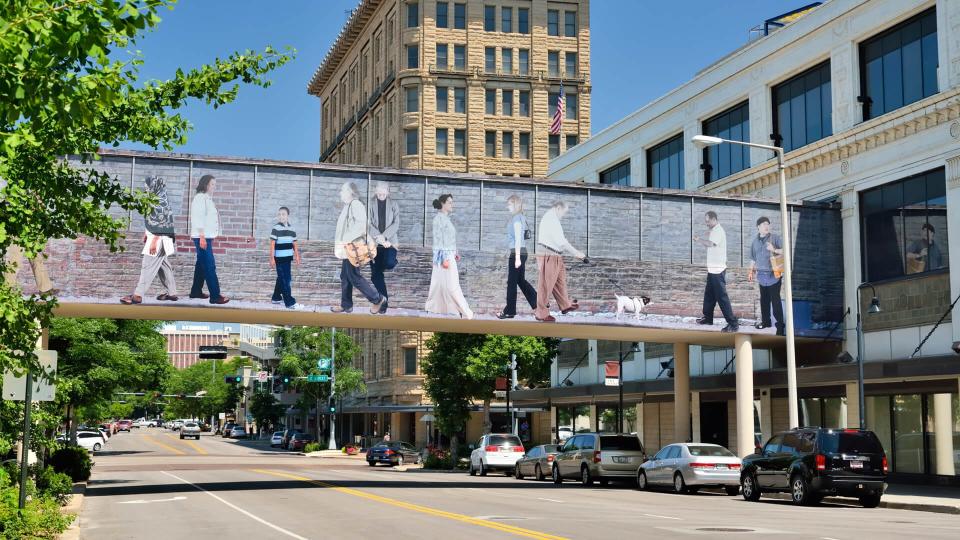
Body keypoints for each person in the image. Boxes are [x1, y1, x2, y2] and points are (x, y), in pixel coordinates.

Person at [121, 176, 178, 304]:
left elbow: (160, 222)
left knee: (148, 266)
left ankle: (138, 295)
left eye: (148, 186)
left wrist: (154, 239)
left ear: (155, 186)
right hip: (166, 238)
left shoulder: (158, 202)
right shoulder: (161, 198)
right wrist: (147, 232)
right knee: (164, 266)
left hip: (158, 238)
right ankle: (172, 292)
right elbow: (155, 219)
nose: (146, 188)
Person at [333, 182, 386, 314]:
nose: (340, 192)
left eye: (343, 190)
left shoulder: (356, 205)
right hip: (348, 249)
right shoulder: (349, 205)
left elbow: (361, 226)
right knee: (345, 276)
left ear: (351, 192)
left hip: (353, 248)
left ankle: (377, 299)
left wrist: (346, 240)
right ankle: (346, 305)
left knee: (354, 277)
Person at [534, 201, 585, 323]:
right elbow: (561, 241)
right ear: (558, 208)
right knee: (546, 285)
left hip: (556, 254)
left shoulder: (553, 219)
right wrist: (576, 252)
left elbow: (561, 239)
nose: (563, 215)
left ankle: (565, 304)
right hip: (549, 253)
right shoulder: (551, 219)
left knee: (560, 281)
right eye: (564, 212)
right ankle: (541, 314)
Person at [425, 194, 473, 319]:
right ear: (443, 203)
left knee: (440, 283)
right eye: (450, 202)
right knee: (451, 285)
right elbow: (439, 240)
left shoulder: (446, 219)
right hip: (443, 257)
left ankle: (434, 309)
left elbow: (449, 239)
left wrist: (455, 252)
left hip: (449, 254)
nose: (452, 205)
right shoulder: (438, 219)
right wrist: (445, 258)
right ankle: (465, 312)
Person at [694, 210, 737, 332]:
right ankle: (708, 318)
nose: (706, 223)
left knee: (722, 297)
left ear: (714, 219)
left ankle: (733, 323)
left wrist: (699, 240)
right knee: (709, 295)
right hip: (712, 269)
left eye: (708, 221)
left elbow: (710, 244)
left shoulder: (718, 231)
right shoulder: (714, 231)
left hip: (718, 270)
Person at [189, 174, 229, 304]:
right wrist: (202, 236)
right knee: (209, 265)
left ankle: (195, 291)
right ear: (205, 185)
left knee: (201, 264)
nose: (214, 187)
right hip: (202, 237)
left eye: (215, 185)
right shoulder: (200, 198)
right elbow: (197, 217)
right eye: (212, 184)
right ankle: (215, 296)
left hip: (206, 237)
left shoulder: (208, 198)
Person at [497, 194, 537, 319]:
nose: (507, 206)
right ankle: (538, 302)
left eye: (509, 204)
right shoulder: (520, 217)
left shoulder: (517, 219)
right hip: (520, 252)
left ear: (515, 204)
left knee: (512, 283)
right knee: (520, 281)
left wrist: (518, 258)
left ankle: (509, 311)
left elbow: (519, 239)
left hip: (517, 253)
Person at [747, 216, 784, 335]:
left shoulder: (775, 238)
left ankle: (780, 326)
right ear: (758, 227)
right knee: (764, 301)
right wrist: (750, 271)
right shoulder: (755, 242)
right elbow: (753, 258)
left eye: (768, 224)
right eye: (763, 224)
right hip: (762, 277)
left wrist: (774, 249)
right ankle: (766, 322)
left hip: (774, 275)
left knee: (775, 301)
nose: (766, 226)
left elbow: (785, 251)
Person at [368, 181, 399, 313]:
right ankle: (383, 304)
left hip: (390, 242)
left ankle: (392, 262)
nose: (381, 195)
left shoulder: (394, 205)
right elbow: (367, 223)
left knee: (390, 263)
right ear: (375, 191)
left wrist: (385, 238)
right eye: (379, 193)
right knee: (376, 276)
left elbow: (396, 223)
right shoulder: (369, 204)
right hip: (374, 243)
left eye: (383, 192)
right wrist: (379, 239)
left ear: (388, 192)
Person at [269, 206, 303, 310]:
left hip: (288, 258)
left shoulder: (292, 229)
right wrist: (271, 258)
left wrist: (297, 256)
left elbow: (295, 243)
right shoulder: (276, 228)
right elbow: (272, 244)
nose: (281, 216)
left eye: (283, 214)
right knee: (286, 280)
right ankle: (290, 303)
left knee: (282, 278)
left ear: (287, 216)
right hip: (279, 258)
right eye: (279, 214)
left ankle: (276, 297)